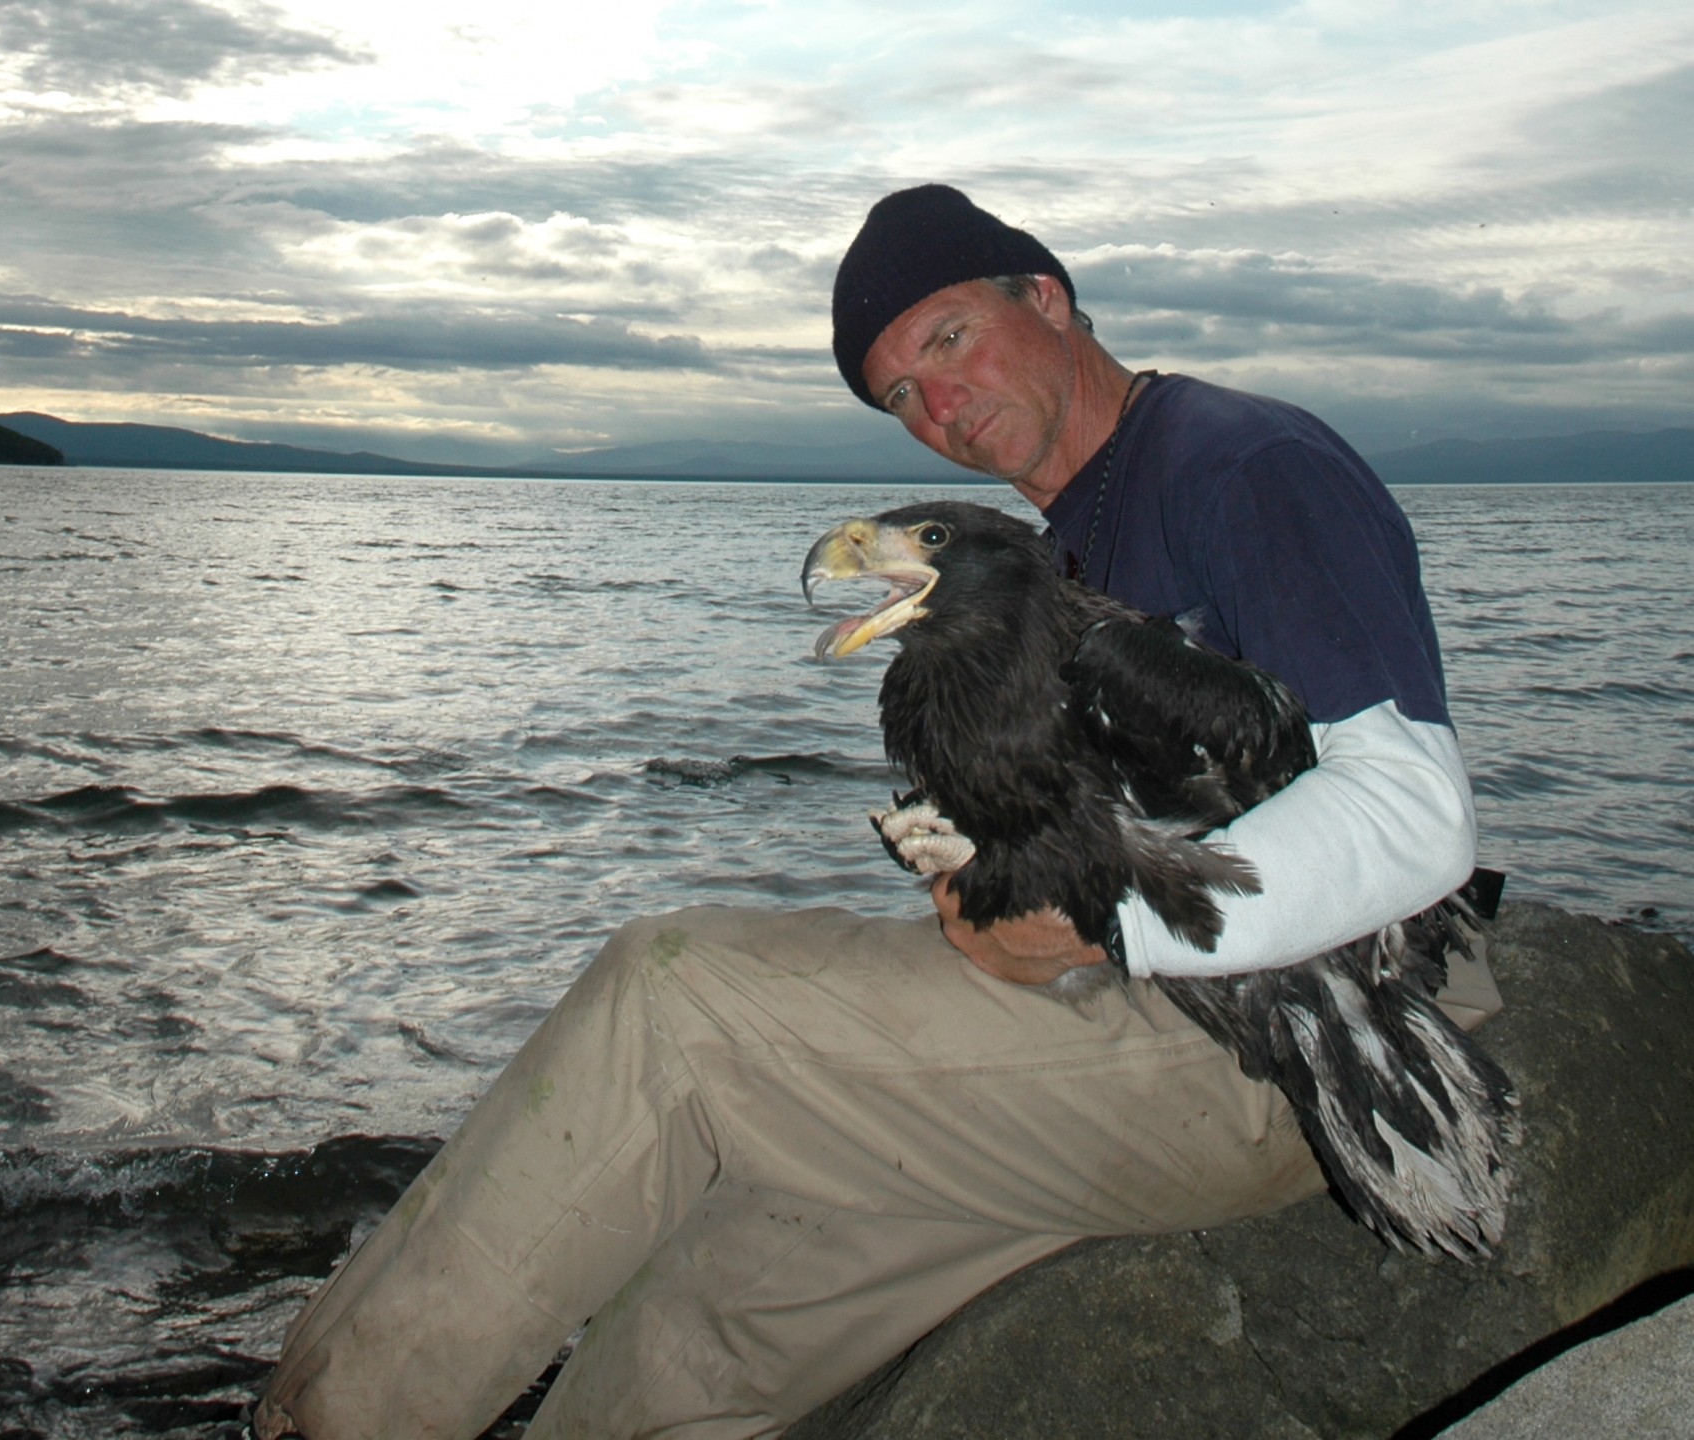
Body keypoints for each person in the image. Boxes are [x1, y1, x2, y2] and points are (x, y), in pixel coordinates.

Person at [254, 184, 1498, 1440]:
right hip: (1142, 1026)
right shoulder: (1064, 542)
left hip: (1311, 1043)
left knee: (672, 999)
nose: (937, 406)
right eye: (900, 393)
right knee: (728, 1277)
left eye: (947, 341)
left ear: (1047, 299)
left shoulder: (1242, 465)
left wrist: (1098, 922)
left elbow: (1412, 814)